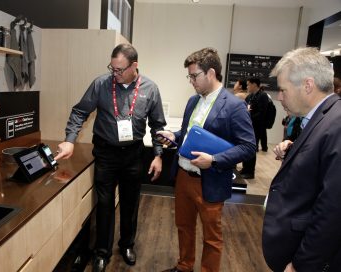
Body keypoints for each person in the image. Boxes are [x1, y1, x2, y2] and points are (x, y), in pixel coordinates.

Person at [54, 43, 167, 272]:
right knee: (104, 204)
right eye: (112, 68)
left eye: (119, 70)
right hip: (105, 153)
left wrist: (158, 154)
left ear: (134, 66)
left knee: (130, 203)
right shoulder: (101, 84)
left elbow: (157, 126)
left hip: (134, 154)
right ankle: (101, 252)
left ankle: (126, 245)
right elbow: (79, 112)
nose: (114, 74)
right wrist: (70, 139)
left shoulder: (150, 89)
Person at [158, 47, 256, 272]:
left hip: (210, 179)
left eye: (194, 76)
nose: (191, 81)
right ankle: (184, 266)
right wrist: (174, 136)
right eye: (189, 76)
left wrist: (214, 159)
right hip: (183, 175)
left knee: (212, 237)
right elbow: (189, 133)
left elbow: (248, 146)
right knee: (184, 226)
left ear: (211, 73)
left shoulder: (234, 106)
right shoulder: (193, 101)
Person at [263, 47, 341, 272]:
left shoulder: (335, 125)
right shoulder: (322, 118)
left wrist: (302, 264)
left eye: (283, 90)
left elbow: (332, 210)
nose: (279, 97)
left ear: (307, 85)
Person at [240, 77, 269, 179]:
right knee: (245, 147)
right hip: (248, 126)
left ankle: (250, 171)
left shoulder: (263, 96)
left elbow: (262, 113)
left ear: (255, 85)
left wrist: (249, 117)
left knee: (252, 148)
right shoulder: (250, 97)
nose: (247, 86)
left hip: (256, 127)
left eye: (248, 84)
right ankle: (245, 168)